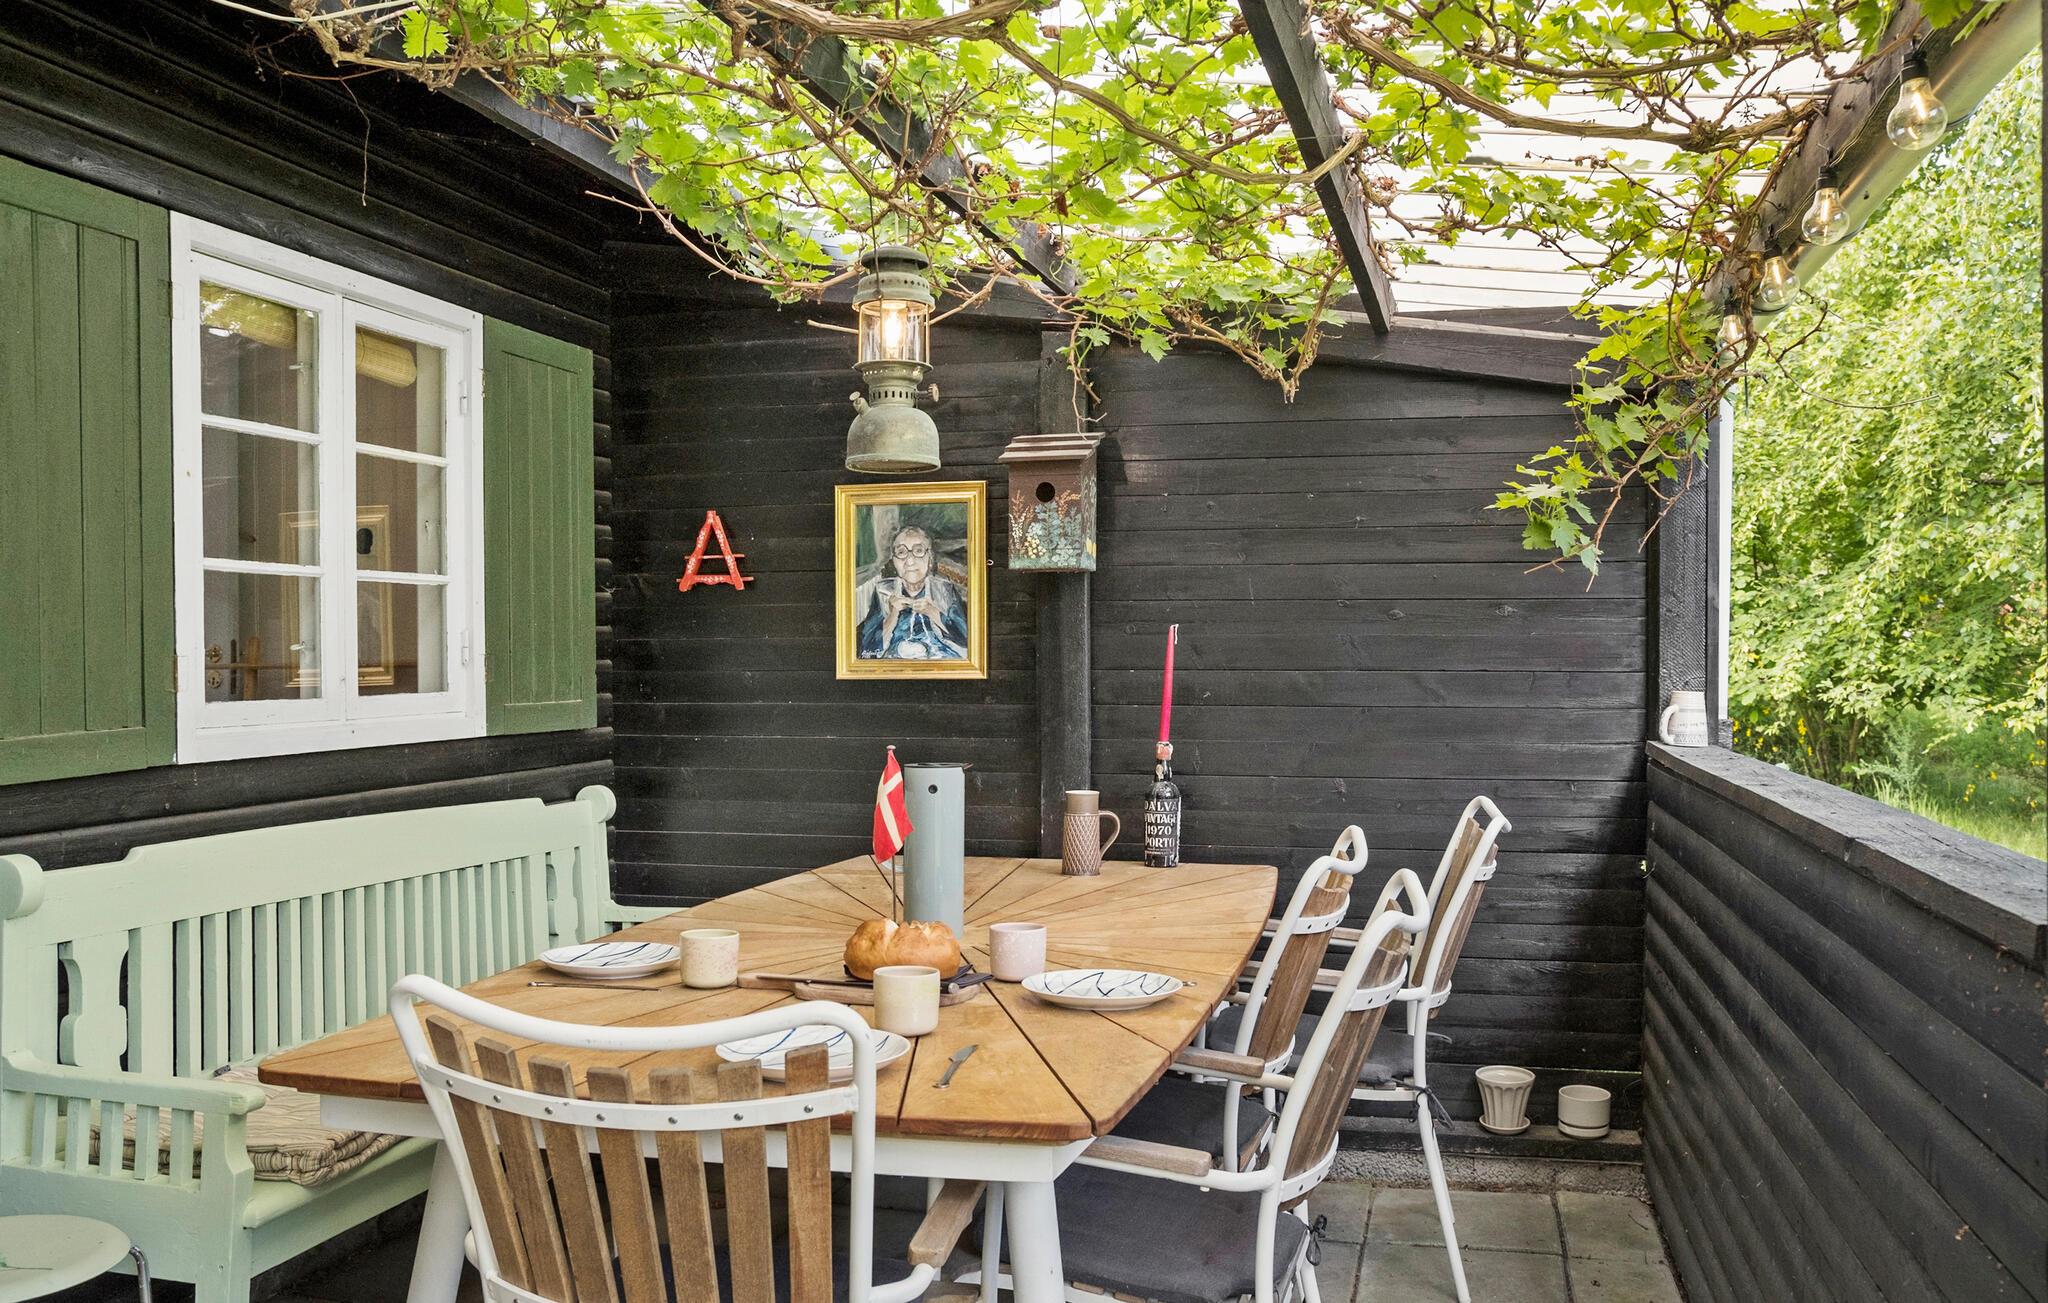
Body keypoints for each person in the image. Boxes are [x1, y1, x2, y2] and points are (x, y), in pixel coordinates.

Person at [856, 524, 969, 660]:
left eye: (919, 551)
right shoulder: (883, 591)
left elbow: (967, 640)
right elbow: (867, 650)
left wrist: (933, 612)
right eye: (901, 552)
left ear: (930, 558)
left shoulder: (945, 590)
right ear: (894, 560)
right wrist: (892, 615)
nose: (909, 561)